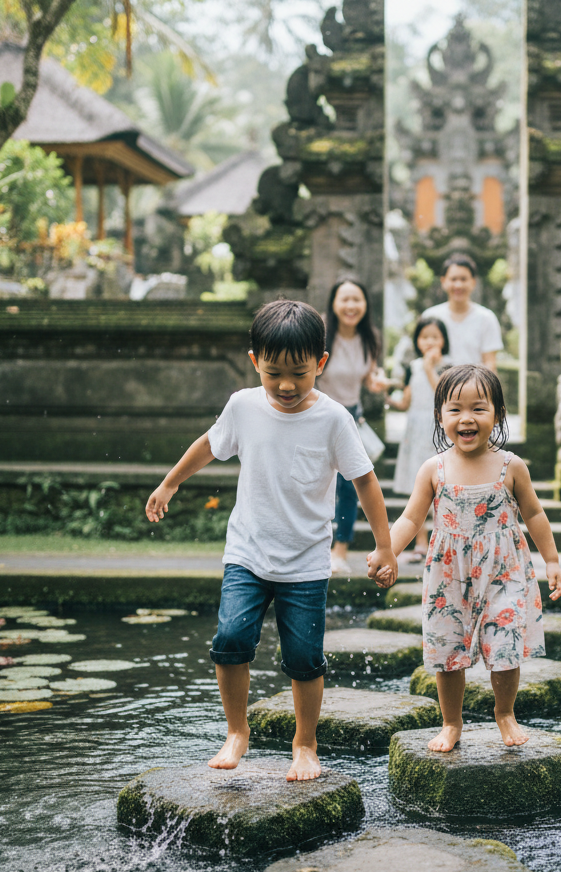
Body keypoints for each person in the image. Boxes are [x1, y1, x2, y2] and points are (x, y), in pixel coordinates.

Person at [145, 300, 398, 781]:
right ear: (254, 361)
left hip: (305, 561)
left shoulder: (333, 420)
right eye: (273, 372)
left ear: (320, 365)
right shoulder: (243, 405)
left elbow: (365, 481)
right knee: (230, 638)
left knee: (303, 657)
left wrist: (384, 545)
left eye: (299, 374)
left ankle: (305, 744)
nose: (285, 385)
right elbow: (209, 444)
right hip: (248, 553)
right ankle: (237, 731)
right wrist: (170, 482)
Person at [370, 364, 561, 753]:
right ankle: (451, 722)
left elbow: (535, 515)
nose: (467, 418)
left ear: (498, 414)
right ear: (440, 416)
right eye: (455, 409)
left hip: (503, 570)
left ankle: (505, 712)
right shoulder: (434, 469)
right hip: (449, 575)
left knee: (505, 646)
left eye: (479, 408)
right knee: (447, 649)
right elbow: (411, 518)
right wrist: (387, 550)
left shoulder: (512, 466)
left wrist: (552, 560)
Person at [316, 277, 389, 573]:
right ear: (333, 303)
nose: (350, 306)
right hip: (318, 414)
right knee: (315, 481)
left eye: (356, 300)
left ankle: (340, 552)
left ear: (365, 305)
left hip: (350, 419)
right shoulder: (318, 331)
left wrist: (378, 383)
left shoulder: (371, 337)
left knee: (349, 486)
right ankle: (312, 549)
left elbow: (368, 380)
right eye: (344, 299)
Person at [386, 317, 451, 562]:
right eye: (425, 337)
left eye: (435, 336)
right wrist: (385, 395)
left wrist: (429, 368)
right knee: (419, 488)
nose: (430, 341)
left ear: (444, 340)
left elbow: (444, 395)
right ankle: (421, 543)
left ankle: (442, 540)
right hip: (416, 430)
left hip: (439, 429)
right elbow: (406, 402)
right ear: (417, 341)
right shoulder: (412, 366)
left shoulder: (449, 365)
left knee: (442, 485)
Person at [421, 253, 503, 370]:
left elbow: (490, 364)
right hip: (436, 386)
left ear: (473, 282)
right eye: (453, 279)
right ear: (443, 281)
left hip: (473, 387)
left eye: (463, 279)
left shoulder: (486, 318)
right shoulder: (430, 316)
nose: (458, 285)